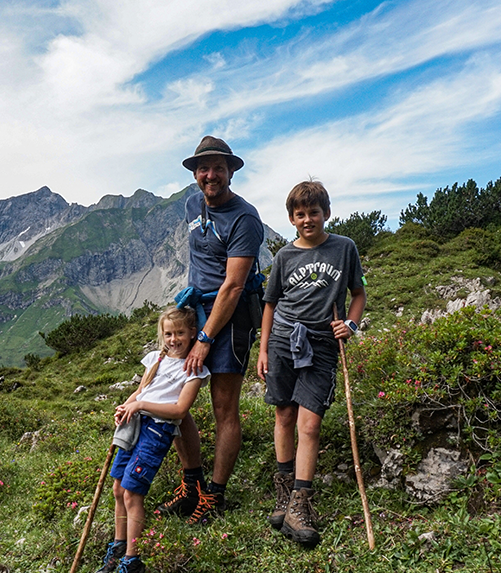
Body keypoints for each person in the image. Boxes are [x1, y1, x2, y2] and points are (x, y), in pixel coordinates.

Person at [156, 136, 265, 525]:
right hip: (192, 313)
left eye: (219, 167)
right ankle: (191, 485)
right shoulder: (191, 204)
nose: (210, 175)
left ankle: (214, 497)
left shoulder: (244, 218)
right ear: (195, 173)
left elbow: (234, 286)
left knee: (224, 409)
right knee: (173, 401)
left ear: (231, 171)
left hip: (231, 320)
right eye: (204, 168)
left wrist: (205, 339)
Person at [256, 180, 366, 547]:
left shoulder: (344, 248)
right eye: (300, 214)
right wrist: (263, 350)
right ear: (291, 219)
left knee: (310, 422)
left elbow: (358, 293)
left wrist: (351, 324)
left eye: (313, 212)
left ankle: (300, 503)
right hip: (283, 341)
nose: (308, 219)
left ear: (326, 213)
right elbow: (270, 304)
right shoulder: (285, 256)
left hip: (321, 344)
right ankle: (284, 494)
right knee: (284, 415)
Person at [97, 306, 210, 573]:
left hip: (157, 429)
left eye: (180, 333)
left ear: (193, 334)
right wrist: (128, 404)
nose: (174, 339)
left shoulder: (194, 370)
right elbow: (141, 390)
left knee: (133, 492)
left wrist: (141, 405)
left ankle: (133, 562)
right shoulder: (156, 359)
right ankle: (119, 545)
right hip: (134, 423)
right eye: (168, 333)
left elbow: (180, 410)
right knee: (118, 488)